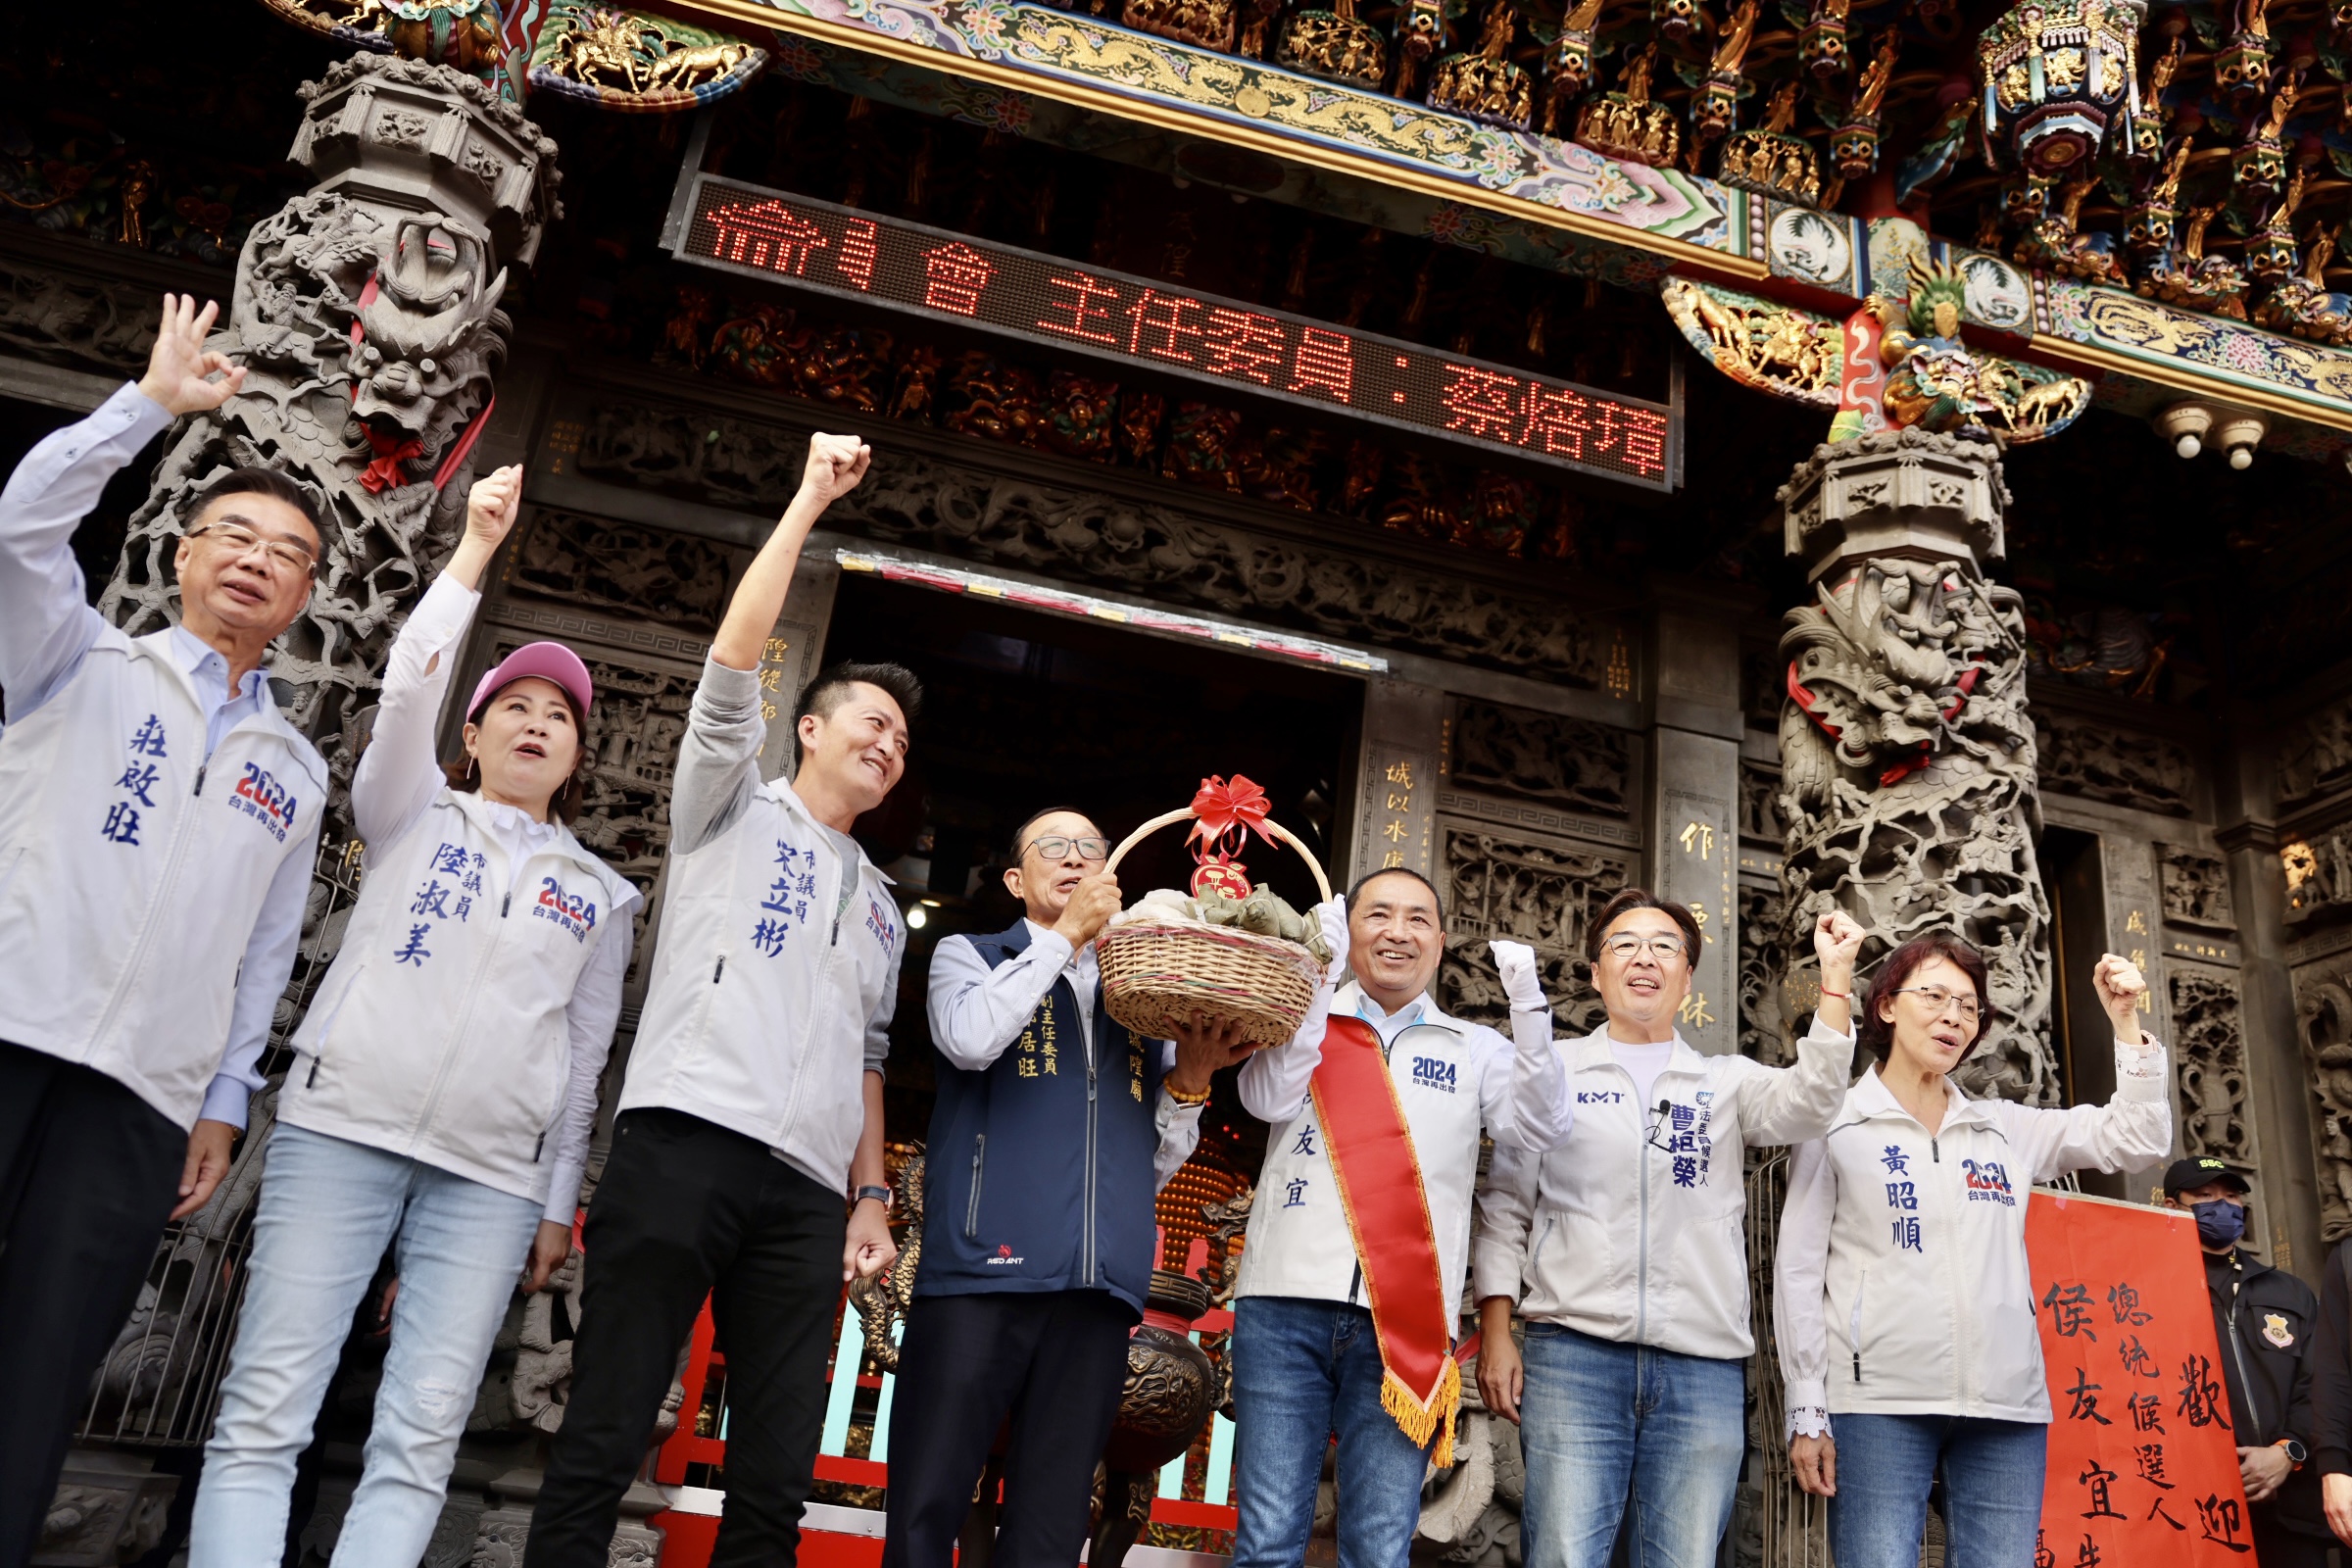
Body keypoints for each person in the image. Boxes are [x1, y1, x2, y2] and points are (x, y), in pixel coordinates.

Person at [185, 465, 639, 1566]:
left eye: (560, 718)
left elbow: (583, 1065)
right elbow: (405, 688)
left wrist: (552, 1203)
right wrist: (476, 548)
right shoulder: (411, 811)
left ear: (577, 760)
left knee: (421, 1435)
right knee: (264, 1410)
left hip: (488, 1179)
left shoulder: (603, 892)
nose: (538, 725)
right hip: (341, 1130)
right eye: (514, 708)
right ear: (471, 737)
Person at [524, 432, 916, 1568]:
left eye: (901, 740)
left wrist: (873, 1195)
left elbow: (869, 1057)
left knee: (776, 1469)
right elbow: (734, 666)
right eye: (870, 724)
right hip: (686, 1138)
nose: (888, 744)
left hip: (805, 1191)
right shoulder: (729, 809)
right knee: (607, 1422)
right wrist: (805, 501)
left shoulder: (887, 905)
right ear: (809, 728)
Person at [0, 295, 331, 1558]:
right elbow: (24, 524)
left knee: (45, 1369)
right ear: (181, 554)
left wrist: (225, 1093)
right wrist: (147, 406)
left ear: (303, 594)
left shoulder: (289, 768)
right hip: (11, 1024)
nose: (252, 559)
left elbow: (265, 946)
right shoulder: (74, 660)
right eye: (231, 534)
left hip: (141, 1095)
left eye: (283, 551)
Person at [883, 808, 1255, 1568]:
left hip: (1095, 1293)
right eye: (1055, 847)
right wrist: (1063, 941)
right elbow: (967, 1037)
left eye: (1092, 847)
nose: (1079, 857)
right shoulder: (970, 954)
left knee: (1052, 1524)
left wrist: (1187, 1085)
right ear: (1017, 881)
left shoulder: (1138, 995)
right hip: (979, 1274)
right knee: (929, 1501)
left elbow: (1140, 1165)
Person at [1473, 896, 1861, 1568]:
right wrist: (1498, 1330)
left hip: (1701, 1365)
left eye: (1665, 947)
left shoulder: (1725, 1083)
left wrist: (1835, 982)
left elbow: (1814, 1101)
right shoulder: (1551, 1071)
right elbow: (1506, 1203)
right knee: (1563, 1556)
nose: (1644, 958)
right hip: (1573, 1354)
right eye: (1624, 945)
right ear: (1596, 974)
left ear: (1687, 978)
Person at [1773, 935, 2174, 1568]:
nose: (1952, 1017)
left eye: (1967, 1006)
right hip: (1880, 1402)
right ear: (1884, 1007)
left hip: (2005, 1408)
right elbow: (1798, 1268)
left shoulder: (2002, 1128)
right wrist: (1806, 1404)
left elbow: (2137, 1139)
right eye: (1932, 996)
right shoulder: (1835, 1121)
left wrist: (2125, 1022)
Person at [1228, 865, 1571, 1568]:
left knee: (1380, 1548)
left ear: (1440, 942)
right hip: (1283, 1306)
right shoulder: (1301, 1018)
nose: (1398, 932)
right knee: (1266, 1540)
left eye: (1417, 918)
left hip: (1404, 1324)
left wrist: (1531, 1011)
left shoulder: (1474, 1048)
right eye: (1378, 914)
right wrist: (1315, 985)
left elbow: (1543, 1124)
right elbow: (1263, 1098)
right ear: (1348, 931)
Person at [2162, 1155, 2332, 1568]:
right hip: (2191, 1515)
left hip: (2291, 1510)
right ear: (2171, 1206)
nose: (2223, 1206)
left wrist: (2286, 1452)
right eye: (2204, 1196)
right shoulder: (2151, 1289)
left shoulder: (2289, 1291)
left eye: (2232, 1196)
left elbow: (2323, 1383)